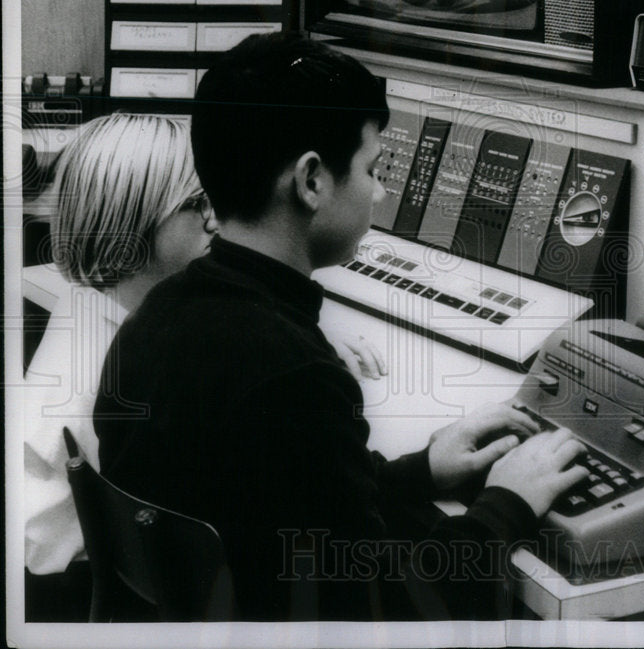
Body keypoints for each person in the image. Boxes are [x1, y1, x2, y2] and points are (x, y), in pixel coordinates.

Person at [94, 32, 589, 621]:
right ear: (310, 180)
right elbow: (398, 609)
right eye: (373, 169)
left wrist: (421, 471)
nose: (380, 193)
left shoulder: (156, 316)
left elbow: (286, 501)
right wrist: (509, 501)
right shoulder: (294, 374)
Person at [23, 113, 218, 620]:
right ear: (134, 224)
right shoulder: (139, 369)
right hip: (69, 584)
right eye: (198, 203)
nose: (216, 219)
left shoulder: (92, 297)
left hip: (61, 563)